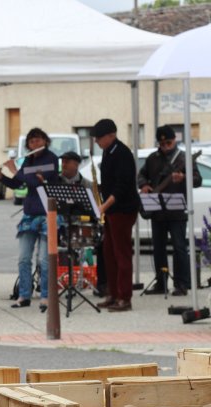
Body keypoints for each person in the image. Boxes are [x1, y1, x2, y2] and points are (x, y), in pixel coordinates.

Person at [0, 127, 60, 312]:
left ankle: (46, 297)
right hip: (30, 213)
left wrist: (15, 170)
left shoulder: (51, 160)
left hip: (47, 213)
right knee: (24, 258)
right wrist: (1, 177)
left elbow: (35, 182)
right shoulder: (28, 161)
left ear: (45, 141)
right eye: (32, 142)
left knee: (44, 259)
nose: (35, 144)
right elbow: (20, 183)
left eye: (39, 140)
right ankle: (24, 295)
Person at [138, 125, 201, 296]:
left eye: (169, 142)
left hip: (177, 211)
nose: (166, 146)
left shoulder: (184, 159)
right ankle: (161, 282)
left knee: (179, 247)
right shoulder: (152, 159)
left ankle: (182, 284)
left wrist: (184, 178)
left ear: (175, 140)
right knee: (158, 248)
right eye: (162, 143)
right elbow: (141, 174)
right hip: (157, 210)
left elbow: (197, 180)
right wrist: (143, 185)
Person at [93, 118, 139, 312]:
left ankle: (124, 297)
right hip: (111, 211)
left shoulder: (122, 153)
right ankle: (112, 293)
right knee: (108, 254)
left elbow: (121, 187)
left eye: (99, 138)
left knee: (122, 254)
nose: (97, 142)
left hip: (123, 209)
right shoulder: (107, 152)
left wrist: (103, 206)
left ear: (111, 135)